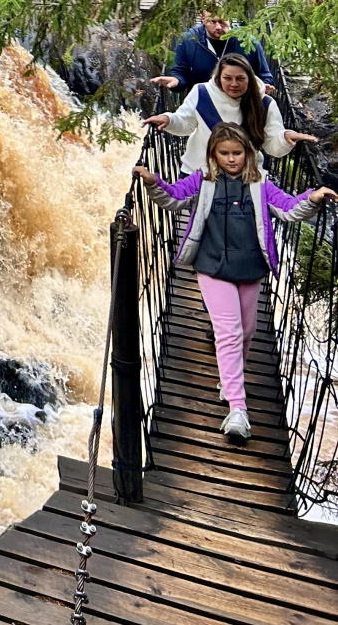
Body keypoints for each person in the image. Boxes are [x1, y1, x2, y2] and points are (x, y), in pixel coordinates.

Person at [135, 123, 334, 444]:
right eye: (223, 153)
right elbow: (173, 198)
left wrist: (312, 197)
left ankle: (230, 381)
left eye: (237, 153)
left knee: (247, 330)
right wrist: (153, 182)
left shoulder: (260, 184)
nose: (231, 159)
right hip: (212, 266)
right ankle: (237, 409)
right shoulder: (203, 180)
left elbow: (286, 208)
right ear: (213, 153)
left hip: (250, 267)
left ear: (249, 153)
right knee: (228, 331)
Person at [142, 51, 316, 173]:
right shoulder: (201, 93)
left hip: (245, 177)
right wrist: (168, 119)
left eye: (240, 79)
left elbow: (272, 144)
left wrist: (284, 138)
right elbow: (185, 123)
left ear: (250, 79)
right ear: (219, 77)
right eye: (228, 78)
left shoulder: (264, 103)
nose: (234, 84)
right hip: (199, 173)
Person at [151, 7, 275, 95]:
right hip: (202, 107)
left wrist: (262, 87)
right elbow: (179, 73)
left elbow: (265, 75)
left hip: (241, 106)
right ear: (202, 19)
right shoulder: (188, 41)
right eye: (212, 22)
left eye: (222, 21)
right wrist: (176, 81)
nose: (218, 27)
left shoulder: (247, 41)